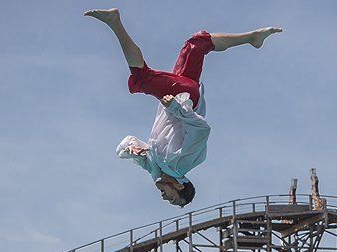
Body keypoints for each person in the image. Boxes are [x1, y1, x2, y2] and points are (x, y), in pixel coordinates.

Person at [84, 8, 281, 207]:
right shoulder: (183, 164)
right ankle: (114, 22)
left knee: (196, 44)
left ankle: (252, 38)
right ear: (180, 186)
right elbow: (202, 130)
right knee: (141, 79)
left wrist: (131, 149)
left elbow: (125, 147)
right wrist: (177, 107)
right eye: (170, 197)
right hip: (183, 98)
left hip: (180, 92)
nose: (163, 197)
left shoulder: (155, 168)